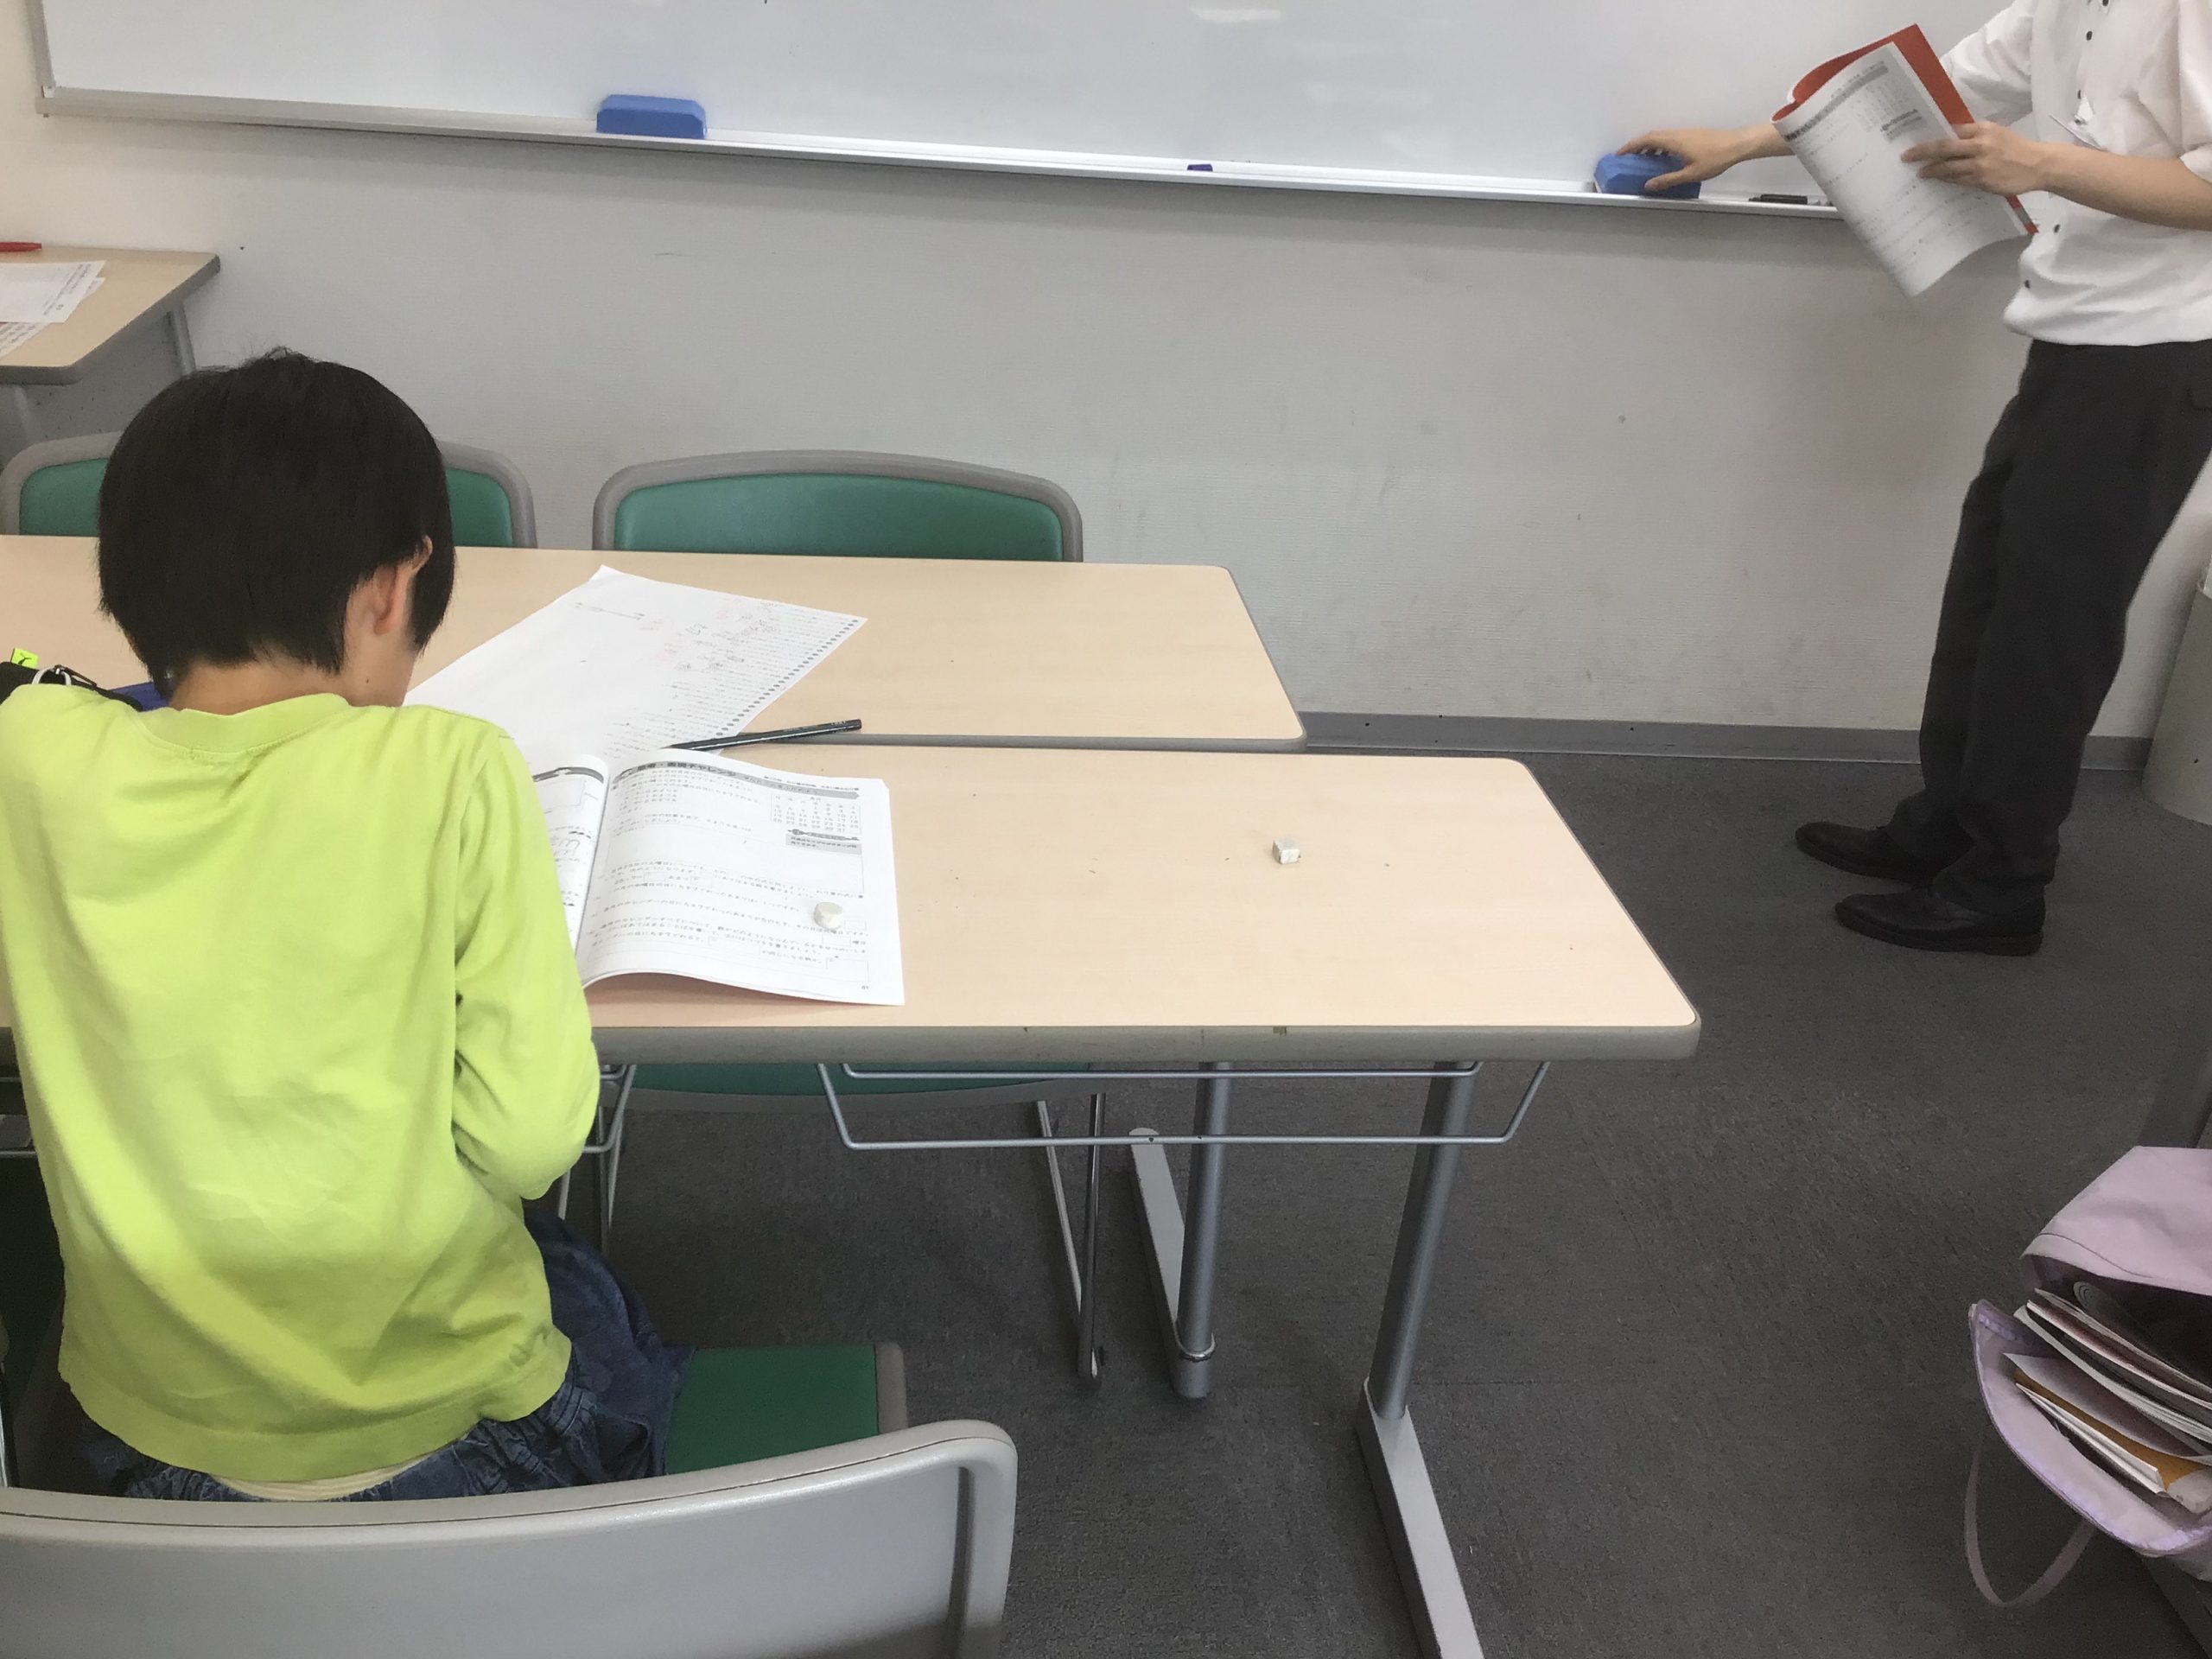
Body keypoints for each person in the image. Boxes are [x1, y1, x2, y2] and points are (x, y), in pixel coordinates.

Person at [0, 350, 685, 1501]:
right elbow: (529, 1144)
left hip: (145, 1455)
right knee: (590, 1292)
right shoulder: (455, 767)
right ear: (391, 589)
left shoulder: (34, 753)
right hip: (457, 1443)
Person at [1623, 3, 2212, 955]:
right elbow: (1927, 93)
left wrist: (2045, 164)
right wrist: (1738, 143)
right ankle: (1948, 826)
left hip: (2162, 348)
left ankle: (2002, 884)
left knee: (2050, 629)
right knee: (1988, 595)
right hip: (2076, 330)